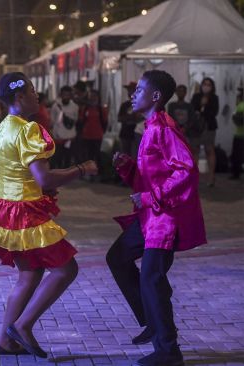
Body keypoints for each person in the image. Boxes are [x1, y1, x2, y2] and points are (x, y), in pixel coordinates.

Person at [0, 72, 97, 358]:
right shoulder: (28, 130)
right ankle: (22, 326)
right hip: (25, 214)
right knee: (66, 269)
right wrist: (81, 169)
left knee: (30, 274)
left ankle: (5, 340)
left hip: (5, 210)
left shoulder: (4, 127)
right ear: (19, 97)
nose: (38, 95)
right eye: (33, 91)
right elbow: (45, 180)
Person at [107, 70, 206, 366]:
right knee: (118, 258)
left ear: (155, 97)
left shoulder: (163, 128)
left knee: (152, 279)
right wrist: (128, 170)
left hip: (164, 219)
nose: (133, 94)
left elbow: (186, 171)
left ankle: (168, 349)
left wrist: (151, 197)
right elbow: (153, 175)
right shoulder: (150, 127)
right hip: (150, 217)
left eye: (139, 90)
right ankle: (154, 320)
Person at [190, 77, 220, 187]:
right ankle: (194, 177)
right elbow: (192, 110)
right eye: (204, 84)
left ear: (212, 87)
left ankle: (211, 176)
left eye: (208, 84)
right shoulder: (196, 96)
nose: (206, 86)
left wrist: (205, 107)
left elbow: (214, 112)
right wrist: (200, 104)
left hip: (209, 127)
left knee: (209, 150)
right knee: (195, 151)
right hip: (197, 128)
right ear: (201, 85)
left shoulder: (215, 98)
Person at [78, 90, 108, 179]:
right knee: (88, 155)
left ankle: (99, 173)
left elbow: (105, 122)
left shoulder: (101, 109)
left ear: (98, 98)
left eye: (94, 96)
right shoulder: (85, 108)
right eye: (91, 96)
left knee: (97, 155)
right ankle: (88, 173)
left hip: (97, 135)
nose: (92, 98)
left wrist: (102, 132)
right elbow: (81, 121)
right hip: (86, 135)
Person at [50, 86, 78, 169]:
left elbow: (75, 120)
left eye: (68, 95)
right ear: (61, 95)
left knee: (68, 156)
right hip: (58, 137)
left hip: (69, 137)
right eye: (64, 94)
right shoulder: (55, 106)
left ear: (71, 95)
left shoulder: (75, 107)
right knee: (57, 156)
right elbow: (53, 120)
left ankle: (65, 174)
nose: (66, 96)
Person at [118, 82, 144, 159]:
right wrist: (131, 117)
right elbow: (119, 118)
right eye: (129, 90)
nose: (130, 92)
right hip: (125, 134)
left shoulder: (142, 105)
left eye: (132, 90)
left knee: (135, 157)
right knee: (125, 158)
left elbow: (141, 118)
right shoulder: (125, 105)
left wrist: (130, 117)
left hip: (137, 135)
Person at [230, 87, 244, 180]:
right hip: (239, 133)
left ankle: (236, 174)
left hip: (240, 134)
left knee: (237, 156)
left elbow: (237, 120)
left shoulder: (241, 105)